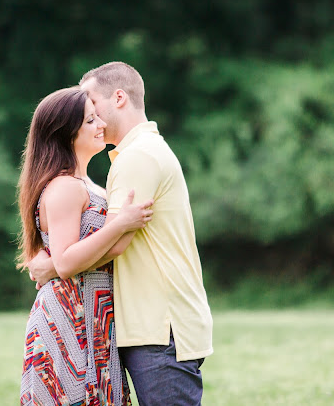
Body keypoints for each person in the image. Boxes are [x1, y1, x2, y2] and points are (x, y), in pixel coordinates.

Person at [30, 62, 214, 405]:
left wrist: (54, 265)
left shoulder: (136, 157)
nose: (93, 118)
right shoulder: (135, 155)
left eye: (92, 104)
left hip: (158, 324)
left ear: (118, 98)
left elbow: (116, 242)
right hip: (141, 323)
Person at [17, 87, 154, 406]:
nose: (101, 125)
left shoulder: (89, 185)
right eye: (91, 120)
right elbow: (65, 263)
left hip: (97, 314)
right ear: (66, 133)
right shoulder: (64, 186)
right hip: (70, 315)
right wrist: (121, 223)